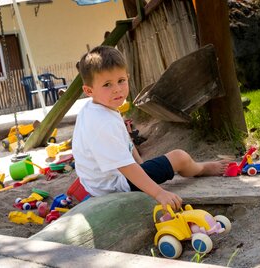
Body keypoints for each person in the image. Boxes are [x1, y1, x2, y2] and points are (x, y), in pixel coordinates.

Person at [72, 45, 228, 210]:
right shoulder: (103, 122)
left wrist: (142, 165)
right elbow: (125, 167)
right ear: (89, 90)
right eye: (107, 85)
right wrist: (159, 193)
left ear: (127, 77)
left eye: (121, 81)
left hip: (99, 183)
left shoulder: (94, 109)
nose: (117, 89)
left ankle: (188, 168)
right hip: (115, 188)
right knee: (179, 157)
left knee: (148, 165)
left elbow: (126, 144)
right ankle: (201, 168)